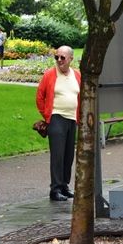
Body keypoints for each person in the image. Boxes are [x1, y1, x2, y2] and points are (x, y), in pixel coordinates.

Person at [36, 46, 81, 201]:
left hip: (72, 119)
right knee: (58, 155)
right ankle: (55, 189)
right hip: (56, 118)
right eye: (57, 57)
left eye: (63, 57)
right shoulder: (50, 74)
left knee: (68, 155)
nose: (59, 60)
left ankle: (64, 186)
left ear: (71, 59)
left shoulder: (77, 74)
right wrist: (48, 115)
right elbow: (40, 97)